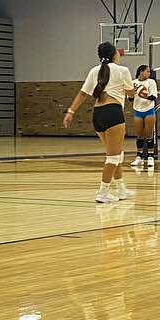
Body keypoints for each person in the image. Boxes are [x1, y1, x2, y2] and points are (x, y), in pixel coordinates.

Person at [63, 41, 136, 203]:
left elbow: (83, 94)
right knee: (113, 156)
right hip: (113, 113)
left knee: (116, 153)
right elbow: (131, 93)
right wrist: (135, 89)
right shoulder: (123, 70)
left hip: (98, 115)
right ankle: (103, 192)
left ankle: (122, 189)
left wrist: (71, 112)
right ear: (114, 54)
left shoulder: (94, 71)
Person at [130, 64, 159, 170]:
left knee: (149, 134)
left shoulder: (151, 82)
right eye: (147, 71)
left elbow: (153, 97)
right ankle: (139, 157)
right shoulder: (133, 83)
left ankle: (150, 157)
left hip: (149, 110)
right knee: (139, 135)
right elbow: (130, 99)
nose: (149, 73)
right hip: (138, 110)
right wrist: (133, 93)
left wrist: (142, 94)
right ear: (141, 72)